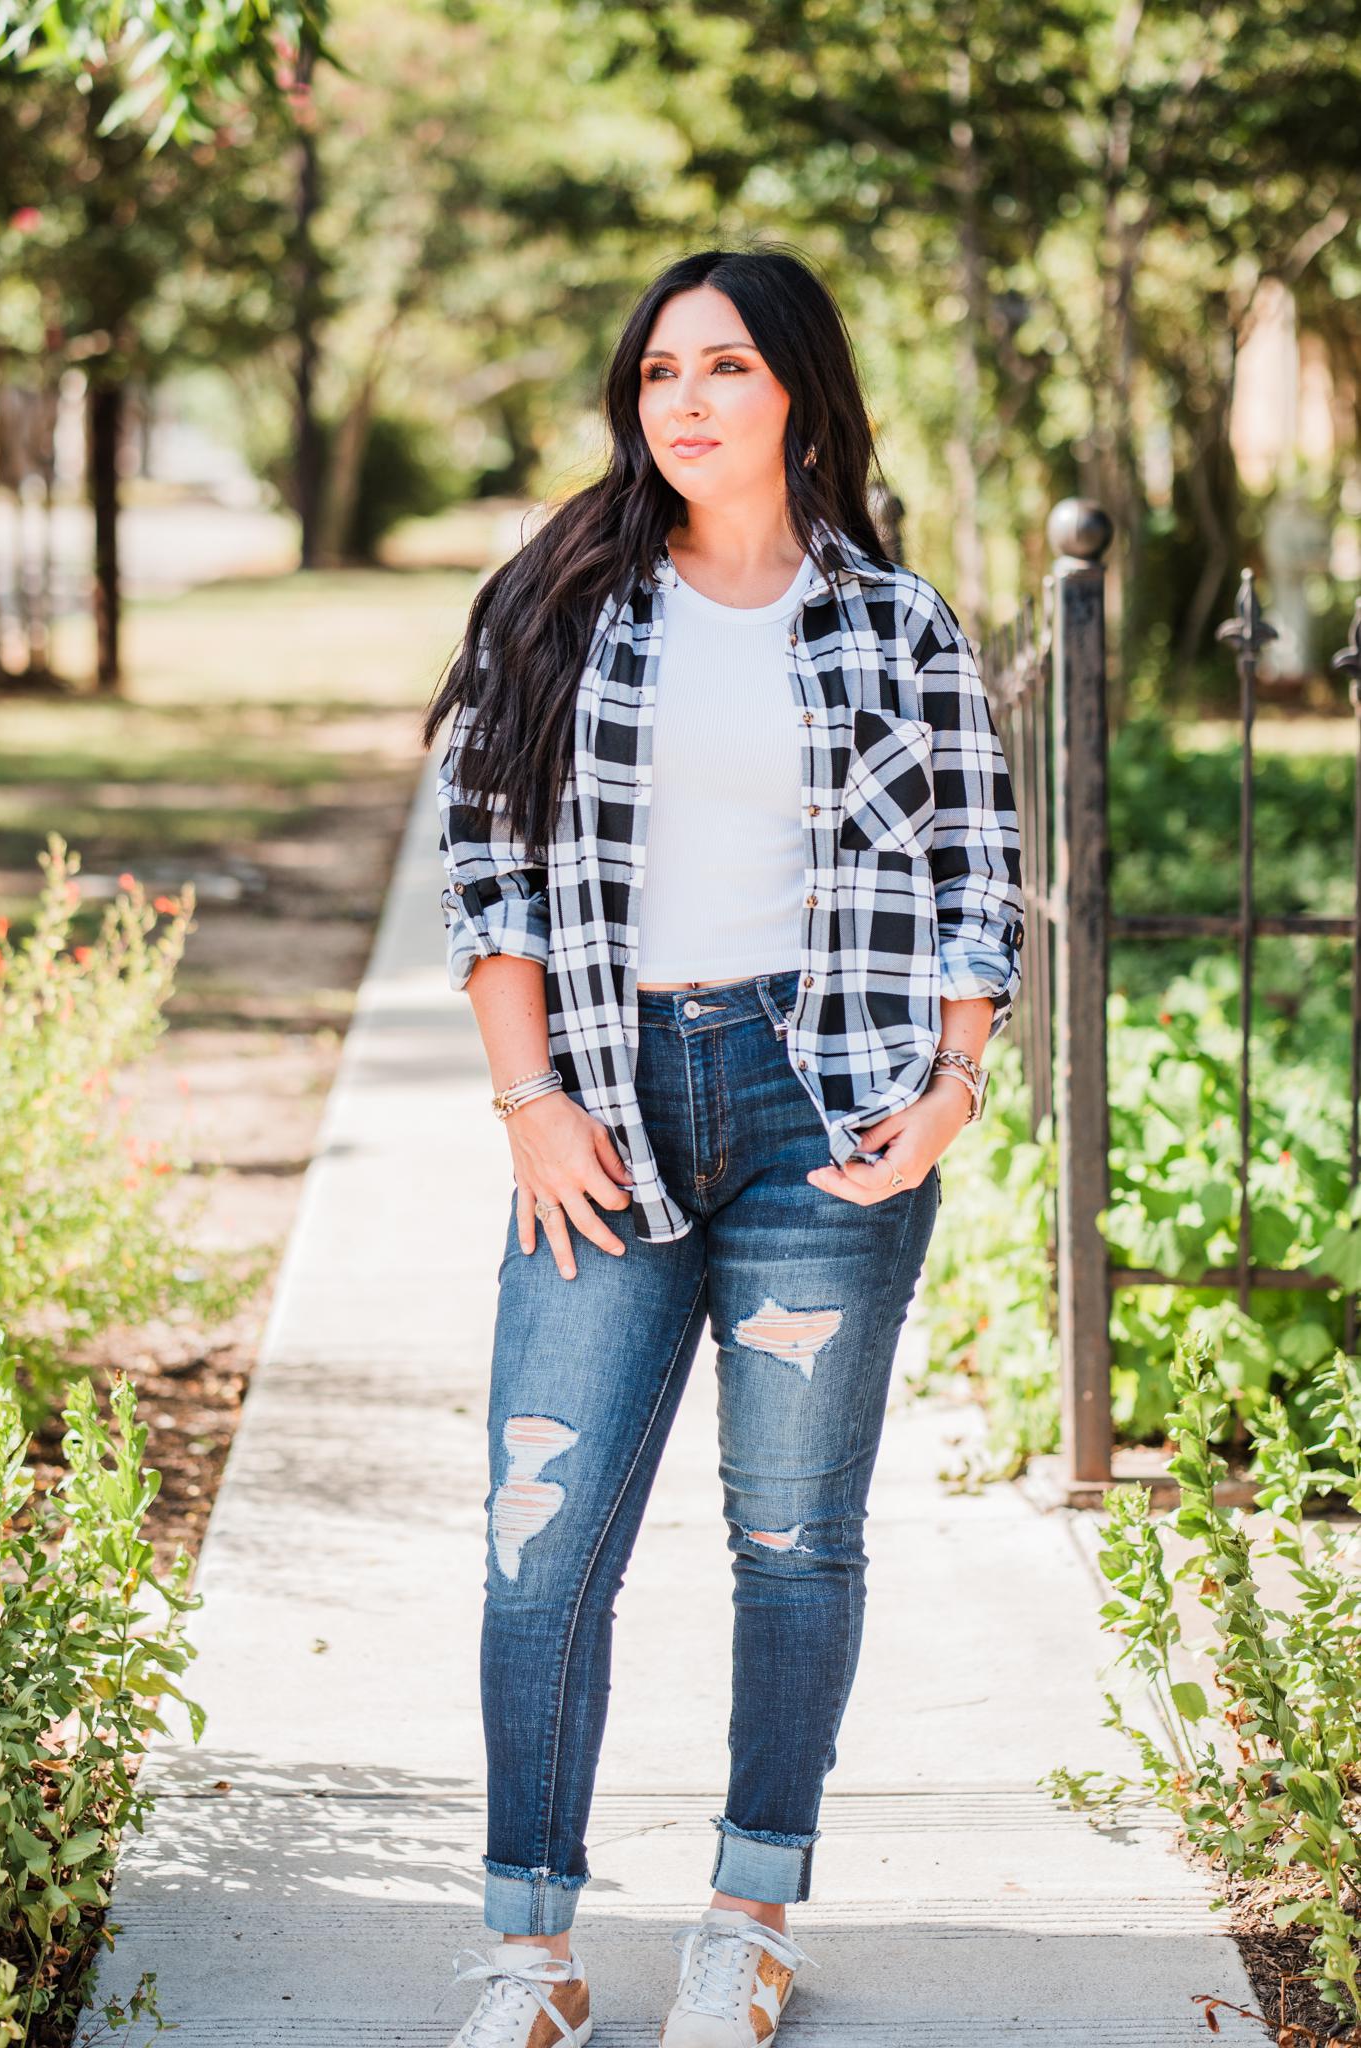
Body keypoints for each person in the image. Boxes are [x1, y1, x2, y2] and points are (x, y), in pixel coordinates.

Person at [424, 243, 1025, 2048]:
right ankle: (527, 1955)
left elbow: (975, 879)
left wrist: (952, 1084)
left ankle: (746, 1919)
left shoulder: (898, 626)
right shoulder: (559, 605)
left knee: (792, 1537)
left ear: (799, 395)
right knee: (541, 1533)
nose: (684, 400)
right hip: (601, 1112)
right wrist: (528, 1100)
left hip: (816, 1118)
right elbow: (487, 867)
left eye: (727, 367)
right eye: (659, 371)